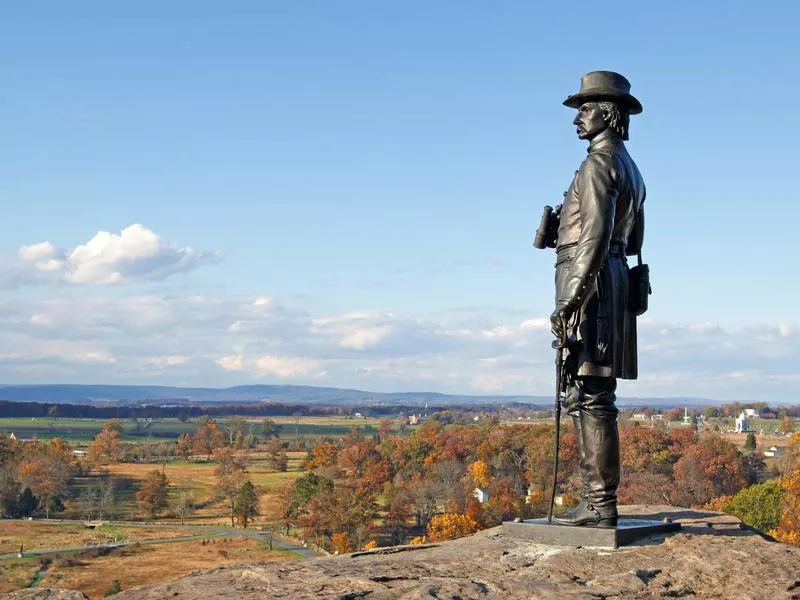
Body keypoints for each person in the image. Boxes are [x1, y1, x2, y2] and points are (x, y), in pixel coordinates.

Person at [550, 71, 646, 527]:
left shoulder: (596, 165)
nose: (576, 121)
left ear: (608, 112)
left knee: (590, 396)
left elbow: (594, 236)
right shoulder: (631, 168)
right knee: (593, 394)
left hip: (593, 287)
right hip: (614, 280)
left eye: (584, 110)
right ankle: (598, 500)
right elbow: (633, 238)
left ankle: (600, 503)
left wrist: (569, 300)